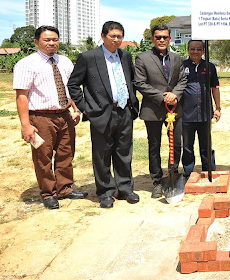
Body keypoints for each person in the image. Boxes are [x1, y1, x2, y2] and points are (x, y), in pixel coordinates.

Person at [13, 25, 87, 209]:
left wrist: (75, 109)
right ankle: (48, 193)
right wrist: (26, 125)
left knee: (66, 153)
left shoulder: (65, 62)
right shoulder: (26, 64)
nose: (52, 43)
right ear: (37, 42)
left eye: (55, 39)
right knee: (42, 156)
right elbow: (21, 96)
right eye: (47, 40)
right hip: (40, 117)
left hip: (64, 114)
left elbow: (71, 89)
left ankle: (65, 188)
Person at [67, 21, 140, 209]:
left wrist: (132, 101)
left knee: (124, 152)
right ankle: (105, 192)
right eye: (112, 36)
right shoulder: (89, 57)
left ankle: (125, 189)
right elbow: (74, 84)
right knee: (102, 154)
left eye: (119, 36)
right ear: (103, 36)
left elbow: (130, 80)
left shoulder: (125, 56)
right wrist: (85, 107)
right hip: (100, 113)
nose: (116, 40)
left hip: (124, 110)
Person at [134, 24, 187, 198]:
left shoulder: (177, 58)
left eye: (165, 37)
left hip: (174, 108)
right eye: (158, 37)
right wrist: (161, 97)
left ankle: (173, 173)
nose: (162, 40)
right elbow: (140, 83)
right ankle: (157, 181)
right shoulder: (143, 58)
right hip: (153, 109)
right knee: (154, 145)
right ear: (152, 39)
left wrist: (175, 95)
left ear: (170, 39)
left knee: (176, 144)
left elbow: (182, 80)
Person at [181, 40, 221, 178]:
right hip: (186, 114)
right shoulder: (181, 66)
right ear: (188, 50)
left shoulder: (209, 66)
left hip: (205, 113)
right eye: (192, 49)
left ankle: (209, 170)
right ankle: (188, 172)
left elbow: (215, 87)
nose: (195, 52)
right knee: (187, 146)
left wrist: (218, 108)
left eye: (199, 49)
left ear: (203, 51)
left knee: (206, 144)